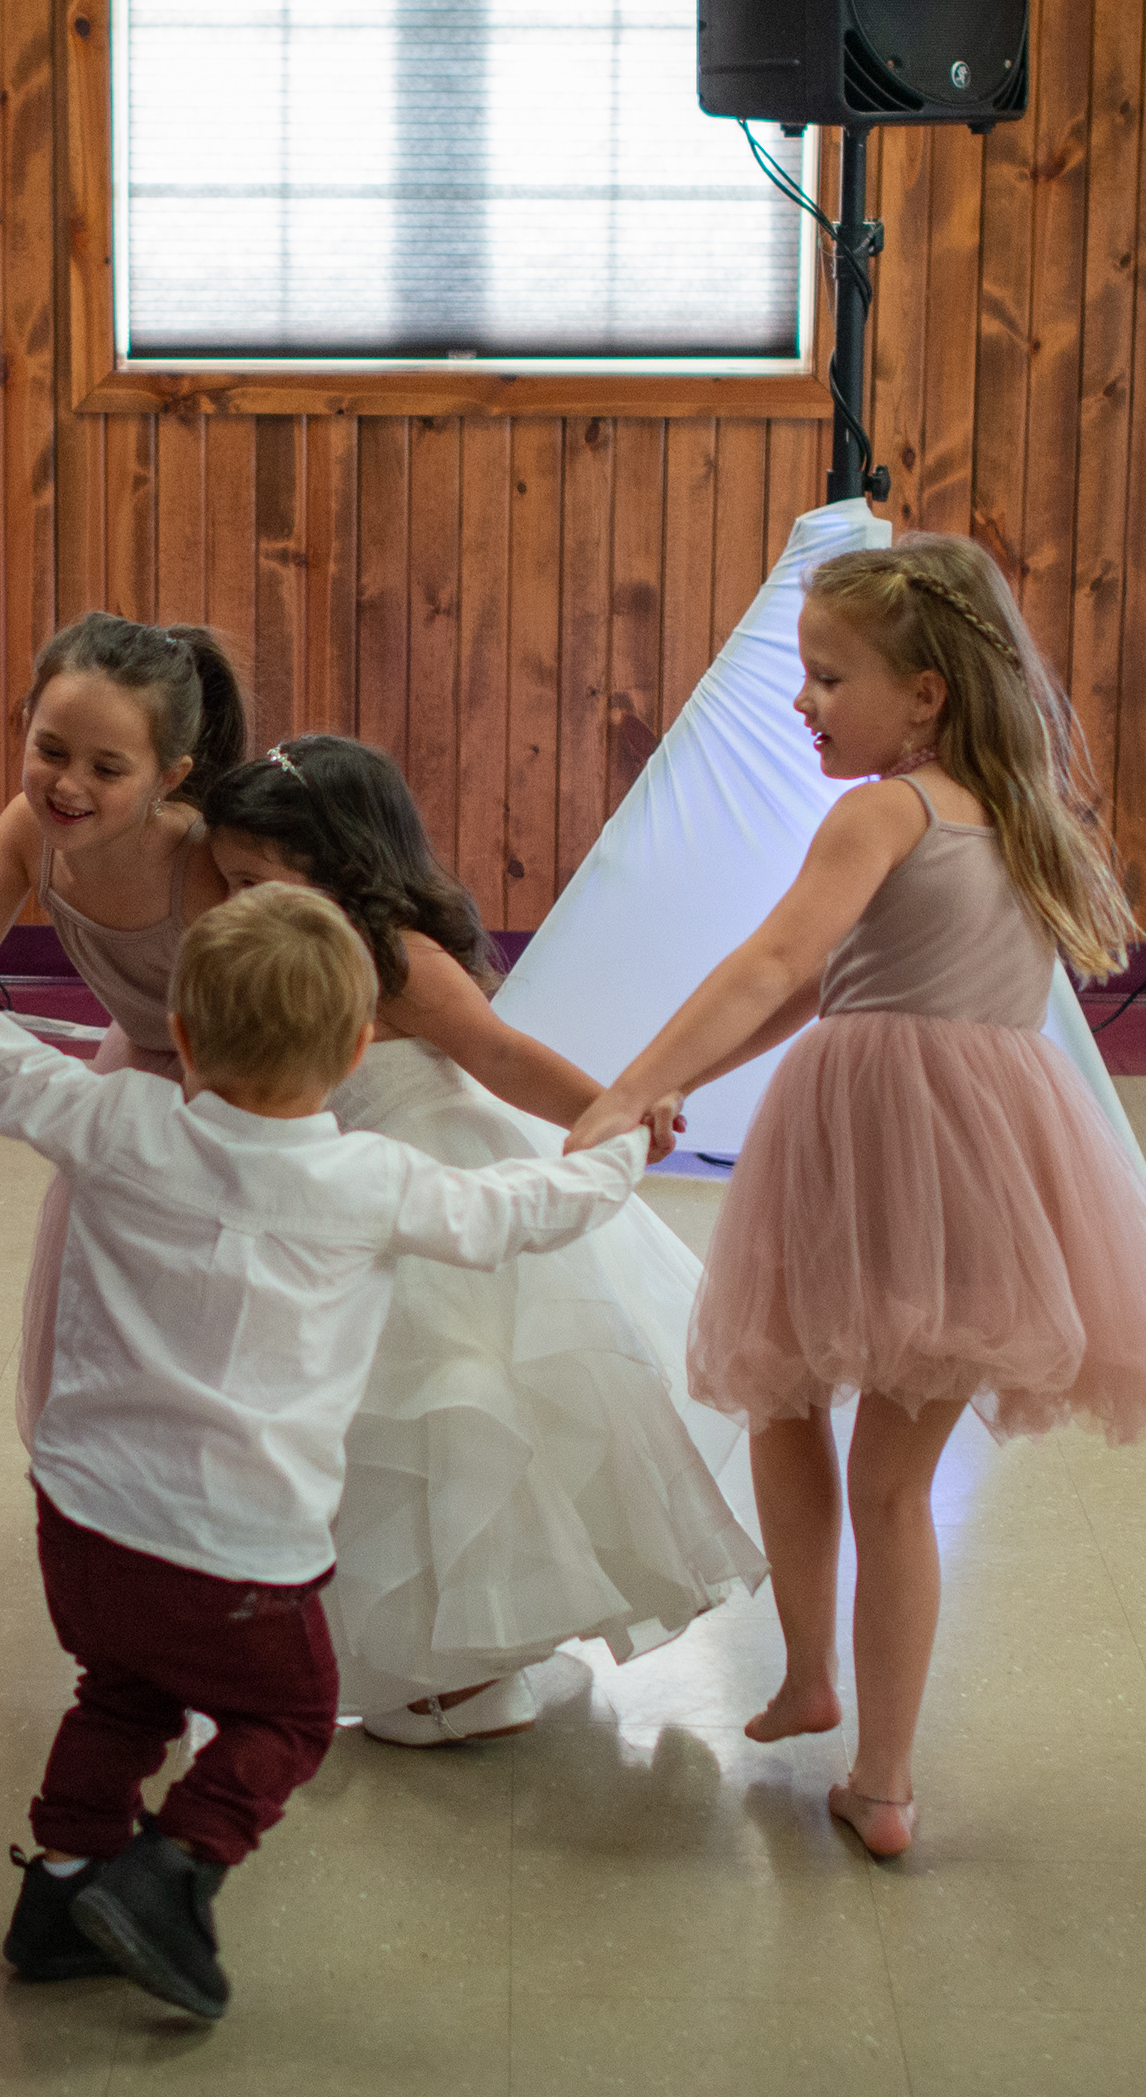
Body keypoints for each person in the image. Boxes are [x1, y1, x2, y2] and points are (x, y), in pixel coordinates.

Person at [0, 885, 652, 2020]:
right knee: (289, 1717)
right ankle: (172, 1869)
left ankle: (60, 1891)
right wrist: (621, 1148)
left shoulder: (115, 1121)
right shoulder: (369, 1179)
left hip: (85, 1516)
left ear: (181, 1032)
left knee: (121, 1692)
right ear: (357, 1050)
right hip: (240, 1546)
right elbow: (519, 1208)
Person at [569, 535, 1146, 1859]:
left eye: (830, 677)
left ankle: (814, 1674)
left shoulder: (882, 813)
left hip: (868, 1146)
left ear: (924, 693)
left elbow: (776, 961)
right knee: (887, 1478)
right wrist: (682, 1080)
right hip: (980, 1165)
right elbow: (835, 980)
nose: (803, 701)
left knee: (782, 1393)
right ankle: (880, 1779)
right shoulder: (1019, 818)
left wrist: (632, 1083)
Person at [200, 735, 763, 1744]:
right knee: (396, 1439)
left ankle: (467, 1669)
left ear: (340, 863)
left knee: (458, 1418)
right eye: (227, 882)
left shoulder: (394, 958)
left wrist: (613, 1112)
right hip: (366, 1201)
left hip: (440, 1187)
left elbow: (499, 1054)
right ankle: (453, 1654)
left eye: (255, 880)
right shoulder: (286, 953)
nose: (236, 902)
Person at [0, 612, 242, 1441]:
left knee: (194, 1304)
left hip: (234, 1084)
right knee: (89, 1276)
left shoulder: (202, 867)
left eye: (107, 767)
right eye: (52, 750)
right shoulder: (28, 831)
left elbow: (258, 1028)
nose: (69, 785)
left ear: (169, 776)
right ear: (25, 722)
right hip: (136, 1063)